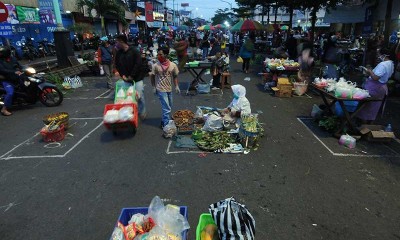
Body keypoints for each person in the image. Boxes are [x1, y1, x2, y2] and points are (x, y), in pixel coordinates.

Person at [356, 48, 394, 123]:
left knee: (366, 107)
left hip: (374, 87)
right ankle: (369, 126)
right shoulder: (391, 63)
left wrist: (370, 71)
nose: (378, 56)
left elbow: (375, 77)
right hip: (382, 88)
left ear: (384, 55)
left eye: (379, 54)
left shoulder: (383, 64)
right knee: (374, 108)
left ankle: (363, 126)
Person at [114, 34, 147, 120]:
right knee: (127, 98)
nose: (116, 43)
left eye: (117, 41)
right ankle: (131, 113)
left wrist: (131, 76)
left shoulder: (134, 51)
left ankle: (142, 111)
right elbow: (117, 65)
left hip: (137, 78)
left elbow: (138, 64)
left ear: (121, 41)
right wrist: (122, 75)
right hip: (126, 80)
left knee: (139, 96)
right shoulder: (119, 53)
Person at [150, 46, 180, 128]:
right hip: (161, 89)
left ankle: (163, 121)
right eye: (158, 54)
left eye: (160, 54)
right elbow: (152, 76)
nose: (158, 56)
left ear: (166, 55)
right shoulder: (156, 65)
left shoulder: (173, 65)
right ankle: (166, 125)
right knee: (166, 108)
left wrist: (176, 86)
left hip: (169, 89)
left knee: (169, 106)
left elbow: (175, 76)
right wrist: (153, 87)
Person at [0, 46, 23, 116]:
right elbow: (2, 70)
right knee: (10, 93)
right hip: (6, 80)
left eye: (1, 53)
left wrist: (21, 69)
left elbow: (19, 65)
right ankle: (4, 109)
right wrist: (14, 72)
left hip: (16, 78)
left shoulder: (13, 59)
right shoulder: (0, 61)